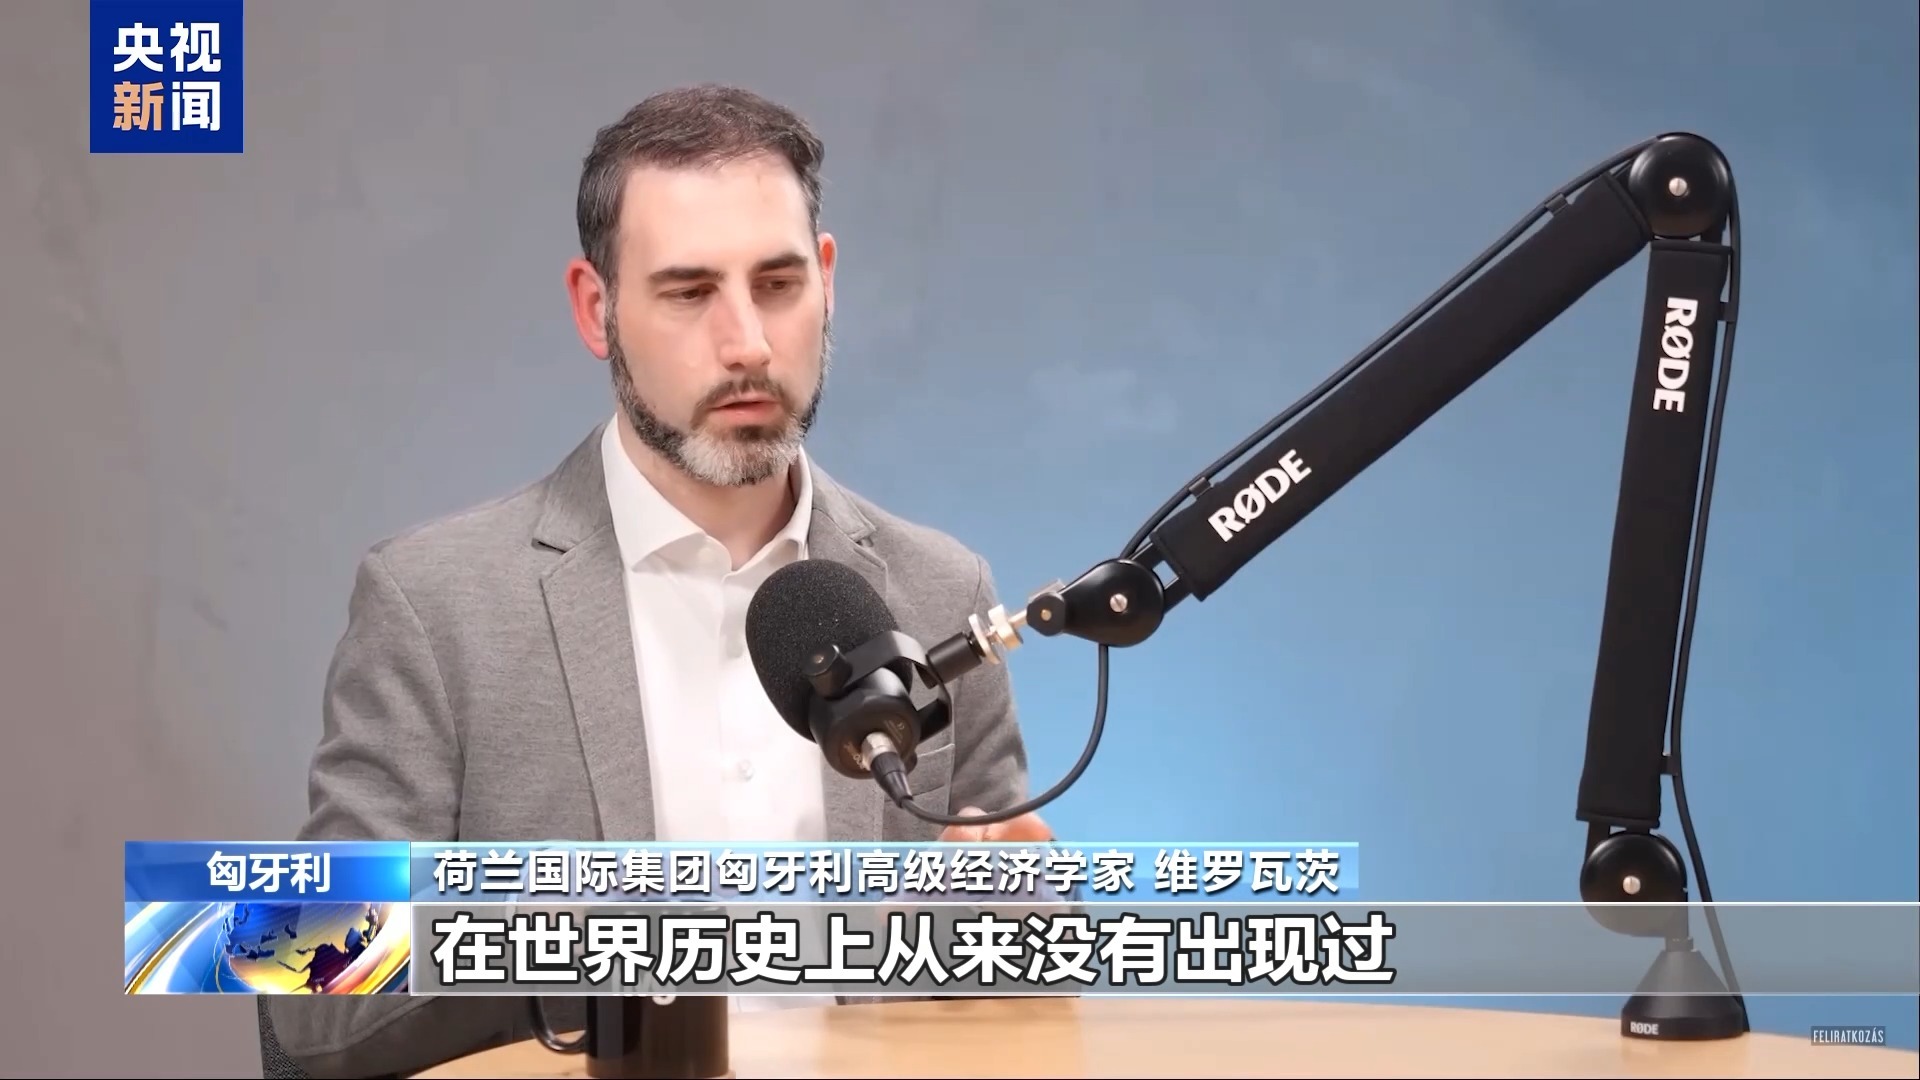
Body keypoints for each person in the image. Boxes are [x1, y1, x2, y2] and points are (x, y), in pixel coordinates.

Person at [264, 84, 1051, 1079]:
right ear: (597, 309)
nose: (748, 344)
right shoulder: (433, 606)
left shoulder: (942, 587)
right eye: (688, 292)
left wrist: (1021, 929)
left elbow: (1012, 963)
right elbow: (307, 991)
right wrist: (598, 940)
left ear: (827, 281)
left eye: (778, 283)